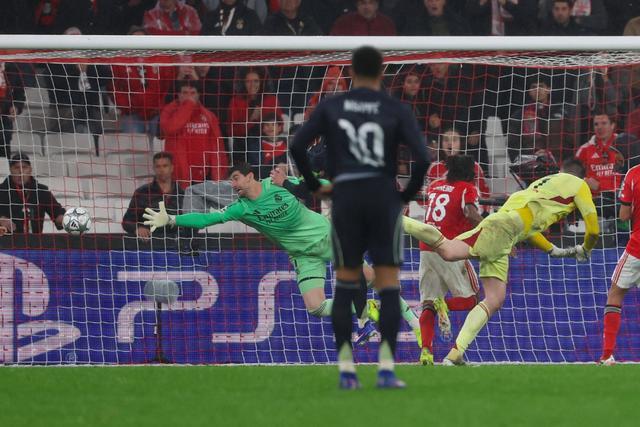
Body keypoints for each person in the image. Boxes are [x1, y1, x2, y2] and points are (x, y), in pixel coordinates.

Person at [289, 46, 430, 388]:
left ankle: (347, 372)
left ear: (351, 72)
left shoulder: (333, 106)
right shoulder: (395, 108)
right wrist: (404, 196)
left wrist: (314, 186)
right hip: (381, 200)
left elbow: (297, 146)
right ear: (382, 71)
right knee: (388, 286)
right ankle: (386, 370)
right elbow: (423, 158)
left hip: (347, 200)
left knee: (346, 285)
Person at [142, 163, 380, 344]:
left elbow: (312, 184)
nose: (233, 184)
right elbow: (206, 218)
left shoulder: (277, 184)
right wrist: (172, 219)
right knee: (315, 307)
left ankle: (387, 310)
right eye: (230, 181)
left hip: (327, 238)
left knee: (370, 278)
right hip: (302, 255)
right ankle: (366, 306)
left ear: (250, 176)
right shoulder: (241, 208)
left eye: (236, 178)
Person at [403, 157, 599, 365]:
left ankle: (455, 354)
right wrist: (586, 249)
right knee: (448, 251)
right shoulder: (580, 186)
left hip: (506, 233)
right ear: (582, 176)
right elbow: (594, 231)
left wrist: (554, 251)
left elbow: (529, 228)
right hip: (503, 228)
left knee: (494, 299)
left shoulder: (541, 185)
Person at [417, 155, 482, 365]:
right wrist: (489, 231)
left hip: (426, 247)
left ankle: (426, 352)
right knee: (472, 300)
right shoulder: (467, 188)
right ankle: (442, 304)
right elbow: (470, 213)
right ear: (470, 173)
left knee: (427, 303)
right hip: (449, 248)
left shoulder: (435, 186)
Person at [599, 162, 640, 365]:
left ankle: (607, 355)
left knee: (615, 294)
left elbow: (623, 216)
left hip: (637, 248)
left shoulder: (634, 174)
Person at [159, 79, 228, 188]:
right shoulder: (169, 111)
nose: (189, 97)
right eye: (185, 93)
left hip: (204, 176)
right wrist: (188, 106)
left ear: (198, 95)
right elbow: (170, 128)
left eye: (192, 93)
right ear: (178, 95)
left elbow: (217, 146)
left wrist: (218, 177)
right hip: (178, 176)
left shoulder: (208, 115)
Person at [111, 26, 176, 135]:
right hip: (132, 113)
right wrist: (128, 106)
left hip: (158, 112)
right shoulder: (119, 61)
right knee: (134, 141)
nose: (139, 44)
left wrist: (161, 106)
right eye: (135, 40)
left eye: (142, 40)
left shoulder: (162, 60)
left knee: (163, 136)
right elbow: (114, 87)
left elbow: (169, 86)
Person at [122, 151, 184, 240]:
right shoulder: (142, 193)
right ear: (154, 168)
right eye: (158, 166)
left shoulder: (182, 194)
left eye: (165, 166)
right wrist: (137, 228)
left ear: (172, 168)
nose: (161, 170)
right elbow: (127, 221)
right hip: (149, 242)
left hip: (177, 242)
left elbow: (191, 223)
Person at [575, 112, 624, 219]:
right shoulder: (584, 150)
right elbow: (573, 174)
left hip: (621, 202)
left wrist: (600, 186)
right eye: (596, 124)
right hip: (594, 204)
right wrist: (584, 180)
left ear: (612, 125)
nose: (599, 127)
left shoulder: (624, 144)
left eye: (604, 123)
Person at [0, 153, 65, 234]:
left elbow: (57, 212)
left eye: (24, 167)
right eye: (16, 167)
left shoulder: (41, 191)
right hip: (6, 240)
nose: (21, 171)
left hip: (36, 240)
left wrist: (62, 218)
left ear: (30, 169)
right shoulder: (1, 190)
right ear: (10, 170)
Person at [0, 62, 25, 158]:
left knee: (3, 154)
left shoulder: (12, 68)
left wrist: (16, 107)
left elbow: (19, 94)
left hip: (4, 120)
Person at [330, 0, 396, 36]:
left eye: (371, 3)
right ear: (357, 5)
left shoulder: (386, 23)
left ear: (376, 6)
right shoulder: (343, 22)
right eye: (363, 3)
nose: (366, 7)